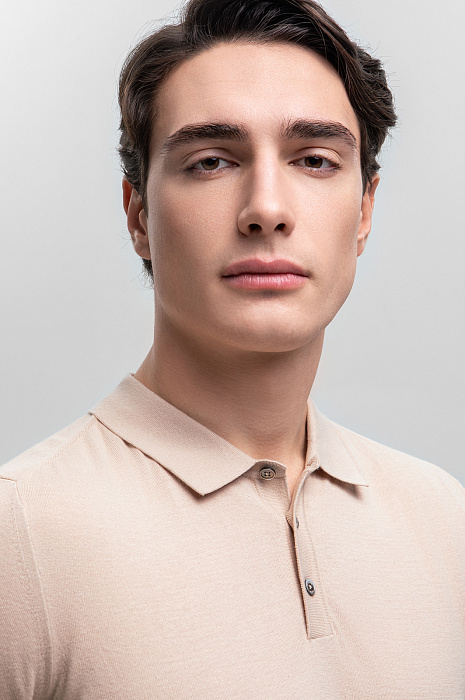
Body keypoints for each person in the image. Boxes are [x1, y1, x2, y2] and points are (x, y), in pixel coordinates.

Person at [1, 0, 464, 697]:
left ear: (364, 211)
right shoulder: (21, 532)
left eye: (314, 160)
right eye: (211, 161)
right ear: (139, 216)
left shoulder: (443, 519)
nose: (266, 209)